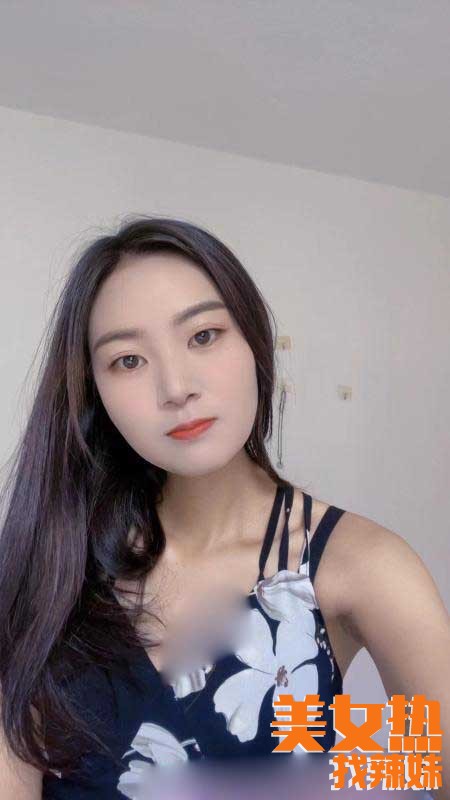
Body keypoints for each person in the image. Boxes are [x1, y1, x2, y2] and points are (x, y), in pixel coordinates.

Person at [0, 216, 449, 800]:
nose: (176, 387)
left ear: (254, 341)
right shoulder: (51, 568)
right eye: (128, 360)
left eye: (204, 335)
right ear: (94, 391)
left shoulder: (361, 565)